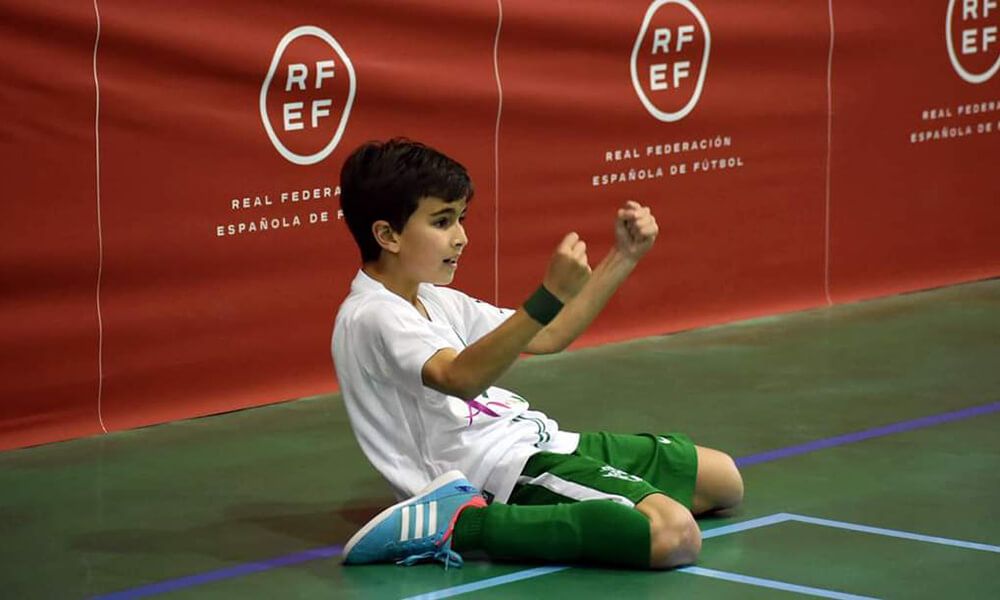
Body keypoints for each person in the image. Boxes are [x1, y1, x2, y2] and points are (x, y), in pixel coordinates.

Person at [331, 138, 743, 570]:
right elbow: (460, 378)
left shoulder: (436, 299)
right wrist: (547, 294)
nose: (461, 237)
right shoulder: (373, 314)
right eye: (442, 222)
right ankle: (458, 525)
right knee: (672, 535)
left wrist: (623, 256)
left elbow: (551, 335)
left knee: (722, 480)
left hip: (533, 438)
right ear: (387, 235)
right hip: (486, 471)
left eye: (461, 219)